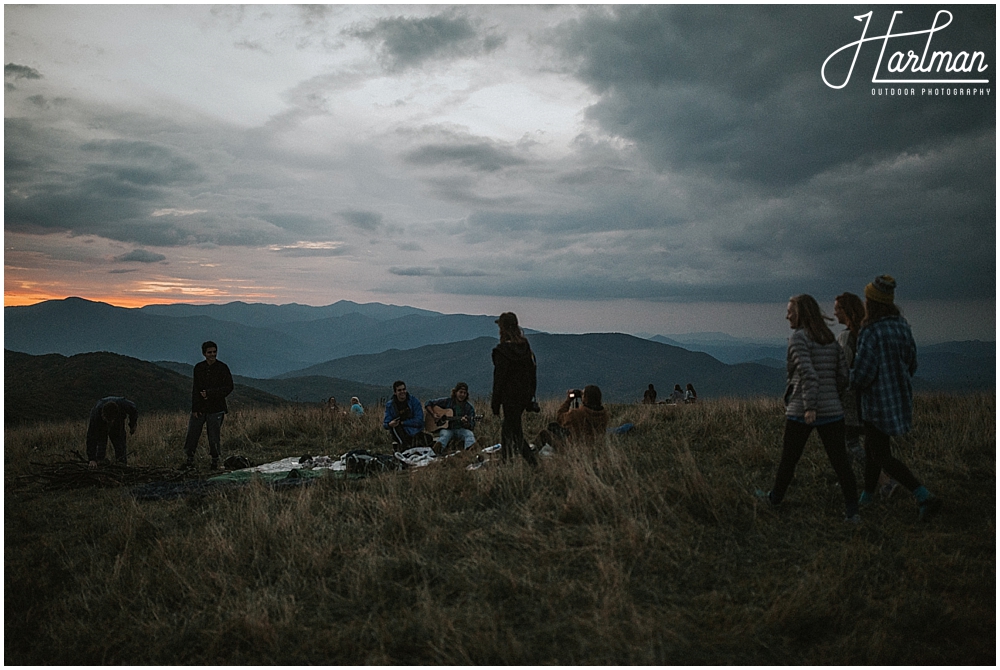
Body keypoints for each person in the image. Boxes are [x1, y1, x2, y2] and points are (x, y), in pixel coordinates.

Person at [757, 294, 860, 522]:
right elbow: (843, 375)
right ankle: (852, 510)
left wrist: (811, 406)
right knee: (840, 462)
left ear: (801, 313)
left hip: (802, 410)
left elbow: (807, 373)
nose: (787, 316)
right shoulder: (829, 338)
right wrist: (833, 397)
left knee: (789, 458)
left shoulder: (798, 339)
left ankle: (775, 499)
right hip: (833, 410)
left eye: (790, 312)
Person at [851, 275, 942, 521]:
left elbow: (864, 373)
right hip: (898, 399)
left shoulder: (870, 331)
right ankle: (867, 497)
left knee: (880, 454)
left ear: (872, 302)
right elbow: (912, 362)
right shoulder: (902, 326)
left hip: (876, 403)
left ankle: (923, 495)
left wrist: (849, 378)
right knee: (873, 448)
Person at [491, 312, 538, 464]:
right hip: (523, 396)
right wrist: (530, 395)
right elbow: (532, 373)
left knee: (514, 431)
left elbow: (499, 379)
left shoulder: (502, 351)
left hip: (509, 397)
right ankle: (506, 461)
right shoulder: (525, 347)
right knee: (509, 428)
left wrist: (495, 402)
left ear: (503, 329)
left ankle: (531, 462)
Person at [183, 341, 234, 469]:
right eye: (209, 352)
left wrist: (211, 393)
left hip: (216, 408)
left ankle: (215, 460)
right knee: (192, 434)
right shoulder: (199, 368)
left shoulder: (222, 368)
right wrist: (195, 408)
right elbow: (196, 389)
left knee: (214, 436)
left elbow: (229, 387)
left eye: (214, 352)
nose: (212, 355)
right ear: (204, 353)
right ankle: (189, 459)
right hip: (200, 408)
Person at [537, 385, 610, 450]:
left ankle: (532, 452)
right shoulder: (604, 415)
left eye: (583, 394)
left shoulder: (576, 414)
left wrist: (568, 400)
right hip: (594, 447)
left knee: (544, 433)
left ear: (586, 398)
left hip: (572, 448)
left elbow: (560, 417)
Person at [86, 396, 138, 468]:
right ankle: (100, 465)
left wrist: (132, 424)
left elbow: (133, 410)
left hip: (117, 426)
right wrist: (92, 459)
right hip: (101, 427)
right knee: (101, 446)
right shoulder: (96, 414)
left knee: (120, 446)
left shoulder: (123, 404)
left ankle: (122, 466)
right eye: (107, 420)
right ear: (103, 415)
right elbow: (91, 436)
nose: (109, 424)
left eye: (110, 421)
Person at [425, 382, 478, 453]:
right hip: (447, 429)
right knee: (445, 435)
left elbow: (471, 425)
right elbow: (428, 403)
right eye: (460, 392)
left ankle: (469, 452)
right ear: (455, 392)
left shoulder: (469, 408)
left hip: (460, 429)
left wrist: (466, 423)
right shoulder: (447, 401)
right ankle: (436, 451)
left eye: (464, 393)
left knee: (469, 434)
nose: (462, 395)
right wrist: (433, 414)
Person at [383, 380, 424, 448]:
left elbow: (419, 420)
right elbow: (386, 423)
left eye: (404, 389)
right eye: (399, 390)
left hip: (414, 430)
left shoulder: (414, 401)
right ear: (395, 392)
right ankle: (404, 446)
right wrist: (390, 424)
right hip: (400, 432)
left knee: (428, 439)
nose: (402, 392)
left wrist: (403, 423)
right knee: (396, 427)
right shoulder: (390, 405)